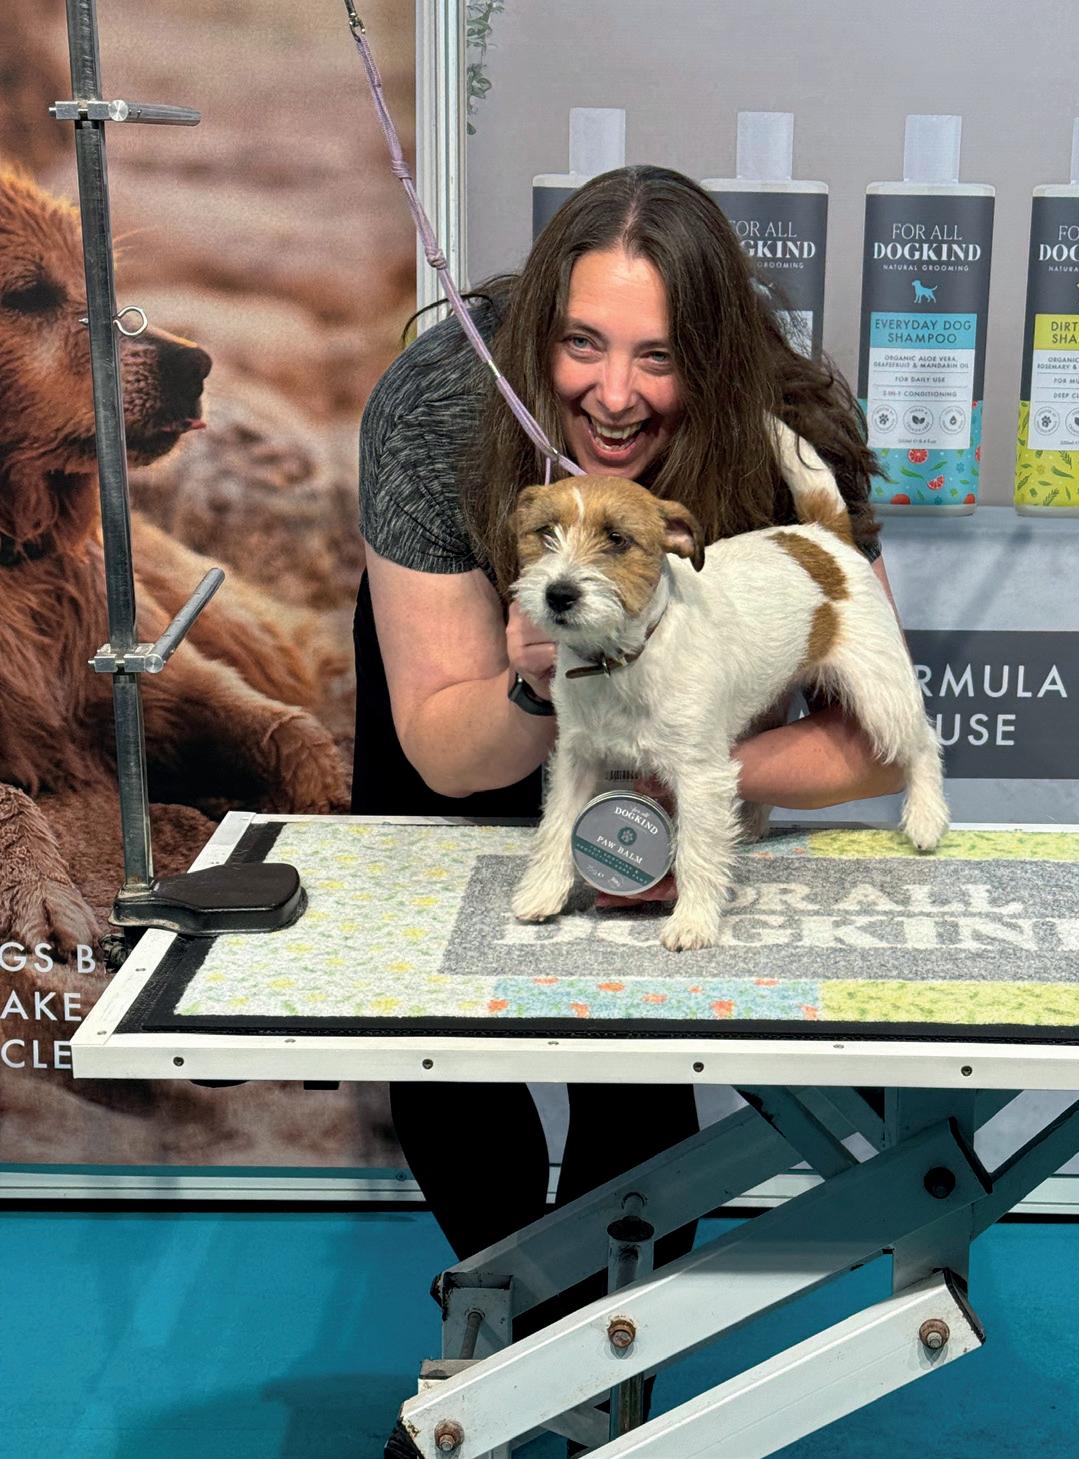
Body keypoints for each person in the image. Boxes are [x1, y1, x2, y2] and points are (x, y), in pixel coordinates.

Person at [355, 164, 903, 1450]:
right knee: (441, 1063)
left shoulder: (789, 429)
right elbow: (441, 749)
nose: (614, 393)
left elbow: (874, 740)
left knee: (641, 1077)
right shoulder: (437, 406)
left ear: (713, 358)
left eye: (658, 358)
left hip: (672, 761)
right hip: (483, 715)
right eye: (583, 345)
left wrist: (687, 781)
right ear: (535, 332)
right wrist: (537, 687)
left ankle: (550, 1371)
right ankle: (542, 1354)